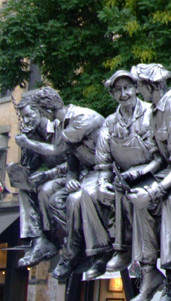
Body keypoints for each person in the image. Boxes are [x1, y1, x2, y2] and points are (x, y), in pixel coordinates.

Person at [127, 63, 171, 301]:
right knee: (138, 199)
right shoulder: (153, 111)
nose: (138, 91)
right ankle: (148, 272)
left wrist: (156, 191)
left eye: (139, 86)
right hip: (168, 172)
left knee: (168, 202)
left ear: (150, 85)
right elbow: (158, 158)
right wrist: (137, 175)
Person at [28, 87, 105, 282]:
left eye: (40, 111)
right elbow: (72, 162)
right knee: (49, 195)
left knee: (74, 199)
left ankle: (74, 253)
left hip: (104, 170)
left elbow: (56, 150)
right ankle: (58, 241)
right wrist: (71, 178)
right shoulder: (62, 124)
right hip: (84, 173)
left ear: (46, 109)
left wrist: (27, 143)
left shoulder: (81, 117)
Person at [90, 70, 157, 274]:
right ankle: (119, 250)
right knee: (108, 191)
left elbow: (163, 152)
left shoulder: (151, 113)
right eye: (117, 90)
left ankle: (145, 261)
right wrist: (102, 183)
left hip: (152, 173)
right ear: (112, 94)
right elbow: (103, 161)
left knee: (136, 195)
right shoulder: (110, 122)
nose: (123, 94)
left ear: (136, 88)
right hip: (124, 177)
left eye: (127, 88)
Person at [13, 94, 67, 268]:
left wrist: (48, 174)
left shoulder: (61, 126)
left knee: (45, 189)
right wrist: (26, 148)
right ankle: (39, 239)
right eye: (23, 118)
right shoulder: (34, 135)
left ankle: (59, 239)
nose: (27, 121)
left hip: (74, 176)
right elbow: (30, 167)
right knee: (24, 186)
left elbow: (77, 161)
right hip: (52, 180)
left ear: (41, 112)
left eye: (29, 116)